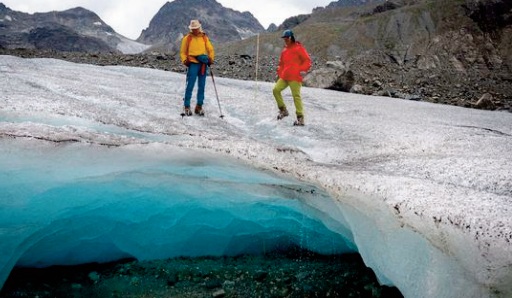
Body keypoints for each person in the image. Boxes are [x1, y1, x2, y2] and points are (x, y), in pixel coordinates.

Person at [273, 29, 311, 126]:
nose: (285, 40)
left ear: (291, 38)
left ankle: (300, 118)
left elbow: (307, 60)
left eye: (287, 38)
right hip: (285, 76)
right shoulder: (284, 50)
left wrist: (302, 70)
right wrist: (279, 72)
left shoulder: (299, 48)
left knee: (296, 97)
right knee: (276, 90)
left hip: (295, 76)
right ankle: (283, 110)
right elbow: (281, 64)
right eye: (284, 38)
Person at [180, 19, 215, 116]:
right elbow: (183, 52)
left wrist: (211, 59)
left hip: (203, 64)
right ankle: (187, 106)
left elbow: (210, 49)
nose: (195, 30)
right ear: (191, 29)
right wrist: (185, 61)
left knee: (202, 86)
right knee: (190, 85)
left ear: (199, 27)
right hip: (193, 63)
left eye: (196, 28)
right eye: (193, 28)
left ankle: (199, 106)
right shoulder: (187, 38)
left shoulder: (204, 37)